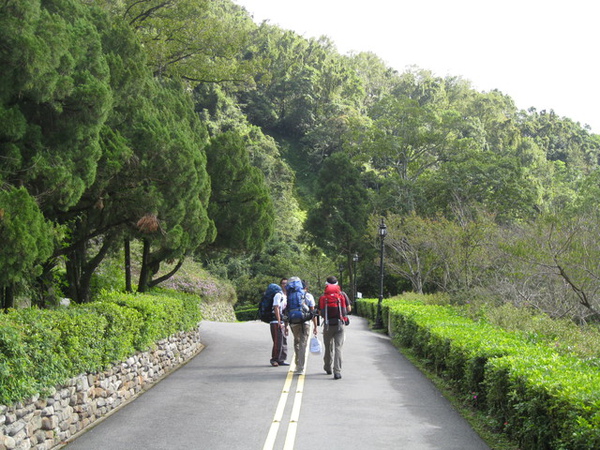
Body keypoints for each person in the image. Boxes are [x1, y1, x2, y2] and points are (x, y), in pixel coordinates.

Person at [319, 278, 351, 380]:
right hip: (339, 324)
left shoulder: (323, 297)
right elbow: (348, 309)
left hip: (328, 325)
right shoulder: (342, 295)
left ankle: (328, 367)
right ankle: (337, 371)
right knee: (338, 348)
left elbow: (320, 312)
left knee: (328, 347)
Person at [287, 278, 317, 375]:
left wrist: (286, 325)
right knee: (303, 344)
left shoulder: (290, 295)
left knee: (297, 342)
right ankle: (300, 367)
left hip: (294, 322)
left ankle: (297, 363)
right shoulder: (308, 296)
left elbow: (287, 311)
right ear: (305, 288)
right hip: (305, 323)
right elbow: (312, 312)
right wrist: (315, 326)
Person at [270, 278, 290, 367]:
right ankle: (274, 359)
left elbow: (285, 311)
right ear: (281, 285)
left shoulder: (287, 296)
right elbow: (276, 307)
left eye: (287, 283)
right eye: (283, 283)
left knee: (283, 340)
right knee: (278, 340)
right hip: (275, 321)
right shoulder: (278, 295)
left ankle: (281, 359)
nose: (285, 285)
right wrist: (278, 321)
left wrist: (286, 325)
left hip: (282, 320)